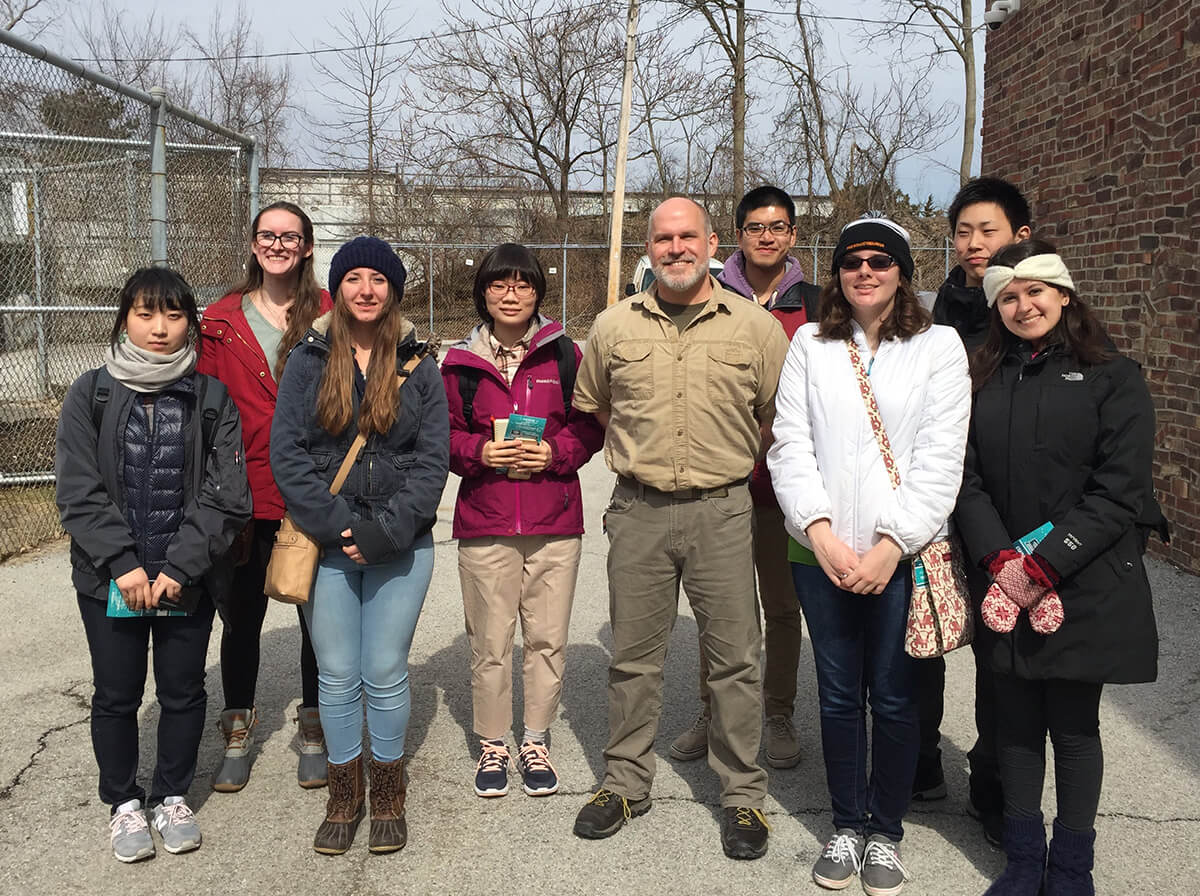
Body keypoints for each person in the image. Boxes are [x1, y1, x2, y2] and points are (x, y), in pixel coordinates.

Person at [571, 197, 789, 860]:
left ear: (712, 242)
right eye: (662, 238)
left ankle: (742, 794)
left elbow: (776, 418)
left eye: (686, 236)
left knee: (734, 661)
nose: (674, 248)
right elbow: (595, 406)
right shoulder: (612, 327)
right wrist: (647, 459)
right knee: (634, 660)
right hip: (638, 512)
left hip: (723, 512)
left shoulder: (755, 329)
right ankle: (625, 781)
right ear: (649, 246)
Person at [767, 215, 970, 895]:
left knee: (893, 695)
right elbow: (789, 446)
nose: (864, 270)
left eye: (881, 260)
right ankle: (847, 822)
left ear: (903, 273)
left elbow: (942, 460)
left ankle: (886, 831)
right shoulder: (811, 347)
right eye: (852, 260)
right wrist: (819, 532)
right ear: (837, 272)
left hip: (901, 556)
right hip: (819, 554)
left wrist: (891, 545)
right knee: (836, 696)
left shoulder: (939, 348)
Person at [956, 240, 1165, 896]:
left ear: (1064, 295)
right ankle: (1023, 864)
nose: (1023, 305)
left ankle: (1072, 871)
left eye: (1036, 291)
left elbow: (1119, 489)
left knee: (1073, 728)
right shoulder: (981, 378)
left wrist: (1043, 566)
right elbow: (965, 480)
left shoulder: (1114, 376)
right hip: (1003, 582)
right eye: (1009, 296)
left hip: (1083, 581)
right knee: (1013, 727)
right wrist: (1000, 562)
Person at [55, 267, 251, 863]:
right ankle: (122, 802)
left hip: (182, 581)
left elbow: (228, 495)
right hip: (108, 580)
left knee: (182, 691)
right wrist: (122, 563)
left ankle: (170, 794)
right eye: (145, 314)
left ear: (191, 322)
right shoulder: (91, 393)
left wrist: (179, 566)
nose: (160, 328)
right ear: (124, 320)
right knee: (116, 694)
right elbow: (78, 491)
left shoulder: (211, 397)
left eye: (173, 315)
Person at [270, 236, 449, 856]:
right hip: (327, 543)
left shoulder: (422, 366)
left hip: (403, 542)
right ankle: (344, 793)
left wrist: (392, 529)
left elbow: (433, 461)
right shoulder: (307, 360)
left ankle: (389, 789)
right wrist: (337, 524)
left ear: (393, 291)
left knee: (384, 669)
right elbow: (286, 454)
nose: (366, 290)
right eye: (353, 279)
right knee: (340, 675)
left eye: (378, 279)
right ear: (337, 288)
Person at [441, 243, 603, 799]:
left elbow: (589, 427)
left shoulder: (563, 355)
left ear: (538, 292)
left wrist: (554, 453)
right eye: (499, 284)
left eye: (523, 285)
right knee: (490, 642)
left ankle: (535, 738)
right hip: (485, 520)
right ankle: (492, 743)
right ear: (483, 292)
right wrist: (480, 454)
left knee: (547, 639)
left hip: (554, 520)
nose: (511, 295)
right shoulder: (459, 364)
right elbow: (442, 436)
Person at [670, 185, 819, 770]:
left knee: (781, 609)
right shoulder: (705, 293)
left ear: (792, 235)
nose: (766, 235)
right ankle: (713, 710)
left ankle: (776, 711)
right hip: (719, 483)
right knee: (723, 610)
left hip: (785, 489)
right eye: (755, 226)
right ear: (737, 235)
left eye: (777, 226)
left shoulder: (815, 303)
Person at [197, 200, 334, 792]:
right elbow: (202, 402)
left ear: (306, 247)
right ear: (253, 245)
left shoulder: (329, 310)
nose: (278, 245)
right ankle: (238, 724)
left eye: (290, 237)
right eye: (266, 236)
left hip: (311, 483)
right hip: (244, 487)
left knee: (315, 617)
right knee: (243, 615)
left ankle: (313, 723)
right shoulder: (222, 318)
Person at [916, 177, 1032, 845]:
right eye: (963, 232)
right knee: (922, 635)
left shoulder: (1028, 310)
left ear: (1020, 235)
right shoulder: (942, 311)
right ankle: (921, 761)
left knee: (1000, 649)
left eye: (987, 231)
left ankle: (991, 784)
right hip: (938, 502)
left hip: (1003, 510)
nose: (973, 243)